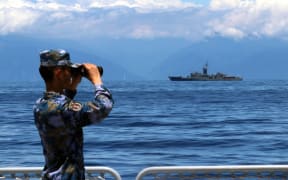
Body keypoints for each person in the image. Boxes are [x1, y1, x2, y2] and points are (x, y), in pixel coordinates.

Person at [33, 49, 114, 179]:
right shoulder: (64, 110)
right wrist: (97, 81)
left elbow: (60, 107)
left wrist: (72, 85)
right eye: (68, 70)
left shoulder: (40, 105)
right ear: (58, 72)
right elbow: (104, 107)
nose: (70, 74)